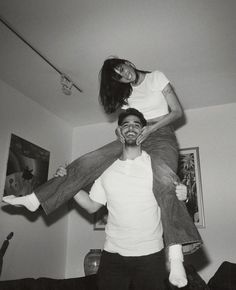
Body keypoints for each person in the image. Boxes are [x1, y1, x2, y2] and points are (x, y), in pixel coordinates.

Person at [2, 57, 202, 255]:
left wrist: (149, 130)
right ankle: (35, 198)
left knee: (163, 178)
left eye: (122, 69)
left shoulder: (156, 77)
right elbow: (123, 124)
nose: (124, 75)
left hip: (160, 135)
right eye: (119, 78)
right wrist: (122, 136)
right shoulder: (127, 96)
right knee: (88, 160)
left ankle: (177, 252)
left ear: (128, 63)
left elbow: (177, 112)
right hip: (136, 135)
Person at [61, 109, 187, 289]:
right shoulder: (106, 169)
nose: (131, 128)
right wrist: (69, 185)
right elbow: (91, 206)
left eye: (137, 125)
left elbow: (172, 197)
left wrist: (182, 193)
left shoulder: (156, 164)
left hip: (151, 255)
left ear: (143, 131)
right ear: (119, 132)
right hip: (113, 257)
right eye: (126, 125)